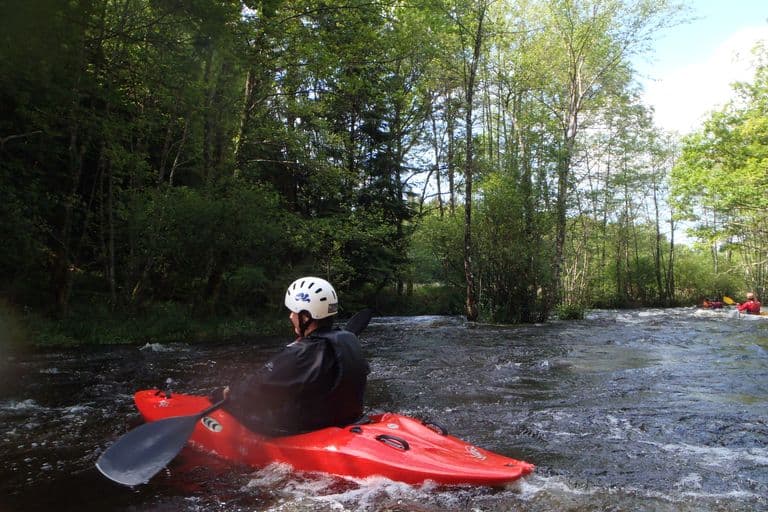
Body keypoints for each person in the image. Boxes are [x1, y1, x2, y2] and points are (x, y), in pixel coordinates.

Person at [214, 277, 370, 436]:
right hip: (349, 420)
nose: (290, 316)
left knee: (237, 405)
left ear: (305, 317)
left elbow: (260, 386)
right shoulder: (349, 340)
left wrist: (230, 393)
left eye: (293, 312)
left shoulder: (300, 354)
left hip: (308, 429)